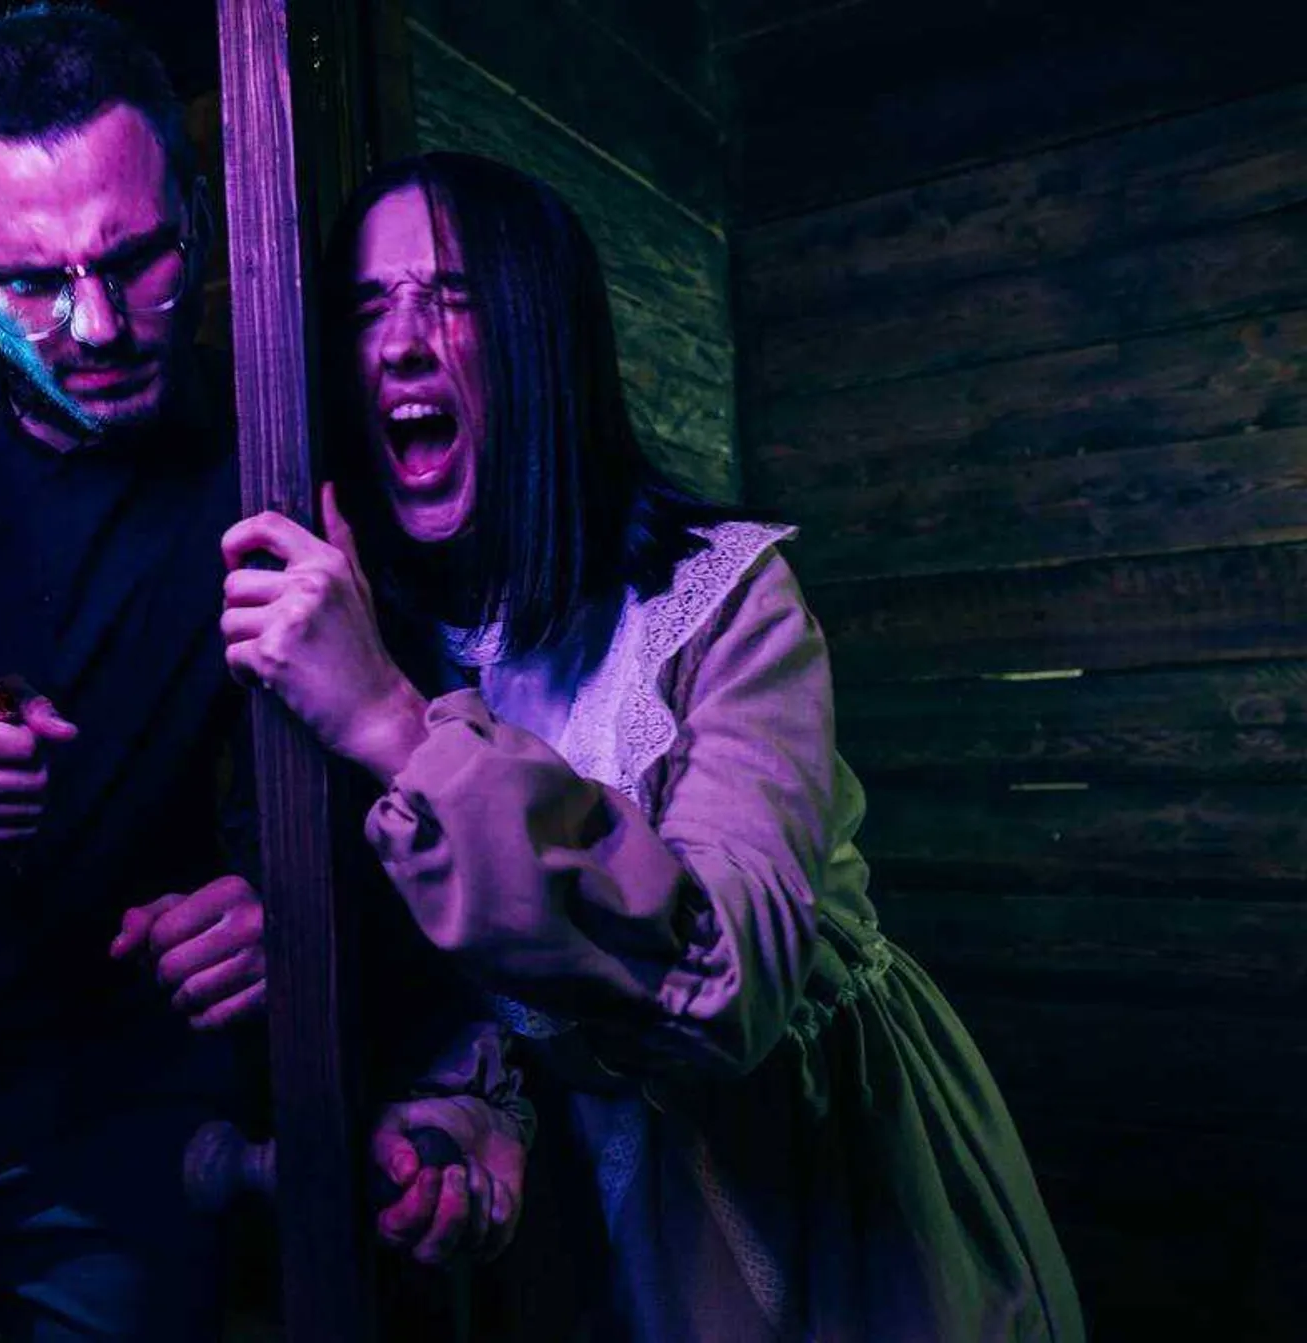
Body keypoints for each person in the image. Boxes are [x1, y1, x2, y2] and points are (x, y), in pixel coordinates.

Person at [220, 152, 1086, 1341]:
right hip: (579, 1237)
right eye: (367, 307)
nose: (401, 344)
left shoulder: (723, 602)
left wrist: (388, 722)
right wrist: (482, 1109)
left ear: (543, 340)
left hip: (822, 1201)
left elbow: (725, 989)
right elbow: (494, 995)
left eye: (452, 295)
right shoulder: (381, 627)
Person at [0, 11, 525, 1337]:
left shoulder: (275, 453)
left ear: (201, 213)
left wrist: (287, 901)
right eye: (29, 284)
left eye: (136, 260)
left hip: (113, 1121)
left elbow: (392, 770)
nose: (98, 324)